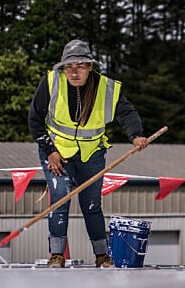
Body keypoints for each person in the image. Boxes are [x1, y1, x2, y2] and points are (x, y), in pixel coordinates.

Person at [29, 39, 149, 268]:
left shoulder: (106, 87)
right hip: (57, 152)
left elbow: (126, 112)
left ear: (90, 67)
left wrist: (136, 135)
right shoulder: (51, 82)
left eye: (80, 66)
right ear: (62, 68)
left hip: (92, 153)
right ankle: (56, 255)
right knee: (60, 198)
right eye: (69, 67)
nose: (74, 72)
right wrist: (50, 151)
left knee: (92, 205)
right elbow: (35, 120)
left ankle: (102, 256)